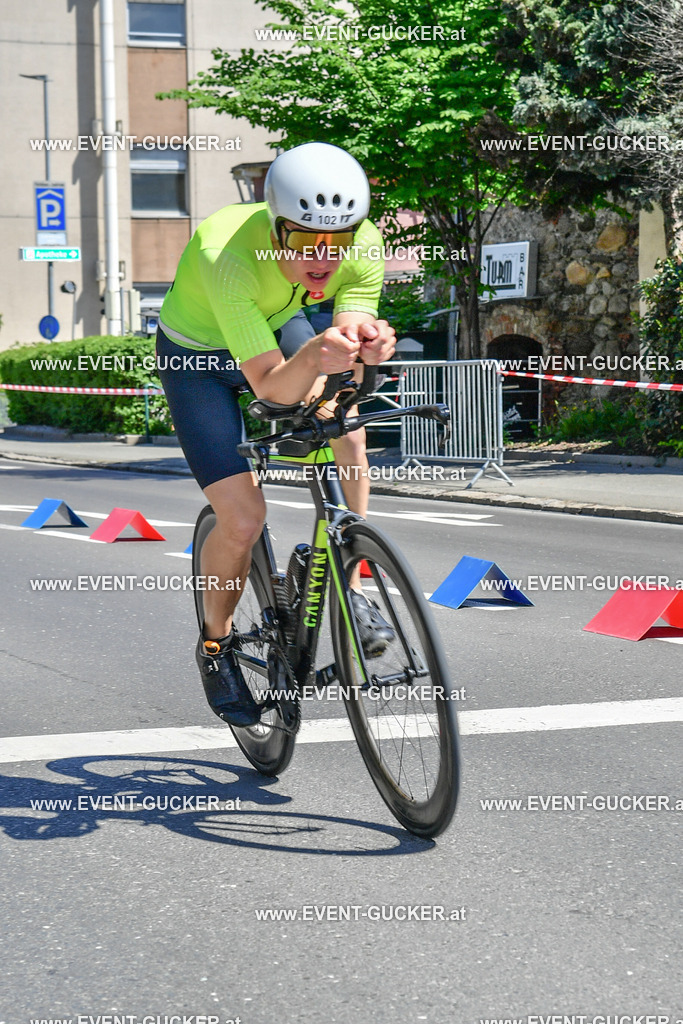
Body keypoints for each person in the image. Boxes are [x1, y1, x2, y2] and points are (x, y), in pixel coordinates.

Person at [157, 142, 396, 727]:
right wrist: (314, 355)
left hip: (273, 322)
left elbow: (349, 334)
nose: (323, 258)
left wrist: (365, 347)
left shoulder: (364, 242)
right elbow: (270, 388)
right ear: (275, 227)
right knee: (242, 520)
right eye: (305, 239)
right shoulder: (228, 256)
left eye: (337, 241)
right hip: (197, 359)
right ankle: (215, 645)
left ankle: (349, 581)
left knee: (345, 428)